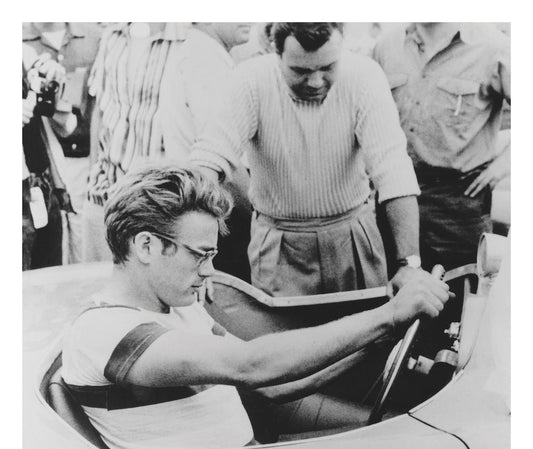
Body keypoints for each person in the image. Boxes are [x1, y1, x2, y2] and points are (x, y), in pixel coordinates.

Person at [61, 165, 450, 449]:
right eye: (201, 255)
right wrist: (390, 314)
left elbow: (272, 385)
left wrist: (382, 336)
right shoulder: (105, 332)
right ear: (145, 246)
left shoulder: (178, 312)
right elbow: (251, 366)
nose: (210, 271)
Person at [189, 22, 421, 298]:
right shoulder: (249, 80)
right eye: (300, 70)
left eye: (328, 67)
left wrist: (409, 263)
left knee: (371, 334)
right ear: (276, 54)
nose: (315, 81)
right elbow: (208, 161)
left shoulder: (364, 76)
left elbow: (393, 169)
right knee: (284, 337)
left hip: (353, 237)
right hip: (278, 246)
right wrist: (197, 256)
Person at [373, 23, 511, 272]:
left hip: (458, 203)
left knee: (458, 296)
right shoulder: (387, 45)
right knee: (394, 294)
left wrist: (505, 163)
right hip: (395, 198)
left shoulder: (493, 48)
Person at [81, 22, 188, 262]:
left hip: (155, 202)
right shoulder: (113, 35)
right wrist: (92, 173)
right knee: (98, 288)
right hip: (104, 194)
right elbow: (100, 109)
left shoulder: (186, 38)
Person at [159, 22, 253, 281]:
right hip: (219, 212)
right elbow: (222, 153)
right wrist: (260, 217)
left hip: (208, 210)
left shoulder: (202, 53)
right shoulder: (205, 60)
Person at [23, 23, 103, 263]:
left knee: (57, 262)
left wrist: (50, 80)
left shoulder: (25, 54)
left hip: (46, 182)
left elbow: (67, 123)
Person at [22, 45, 77, 269]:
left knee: (49, 285)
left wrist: (54, 87)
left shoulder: (25, 53)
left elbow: (67, 126)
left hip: (45, 190)